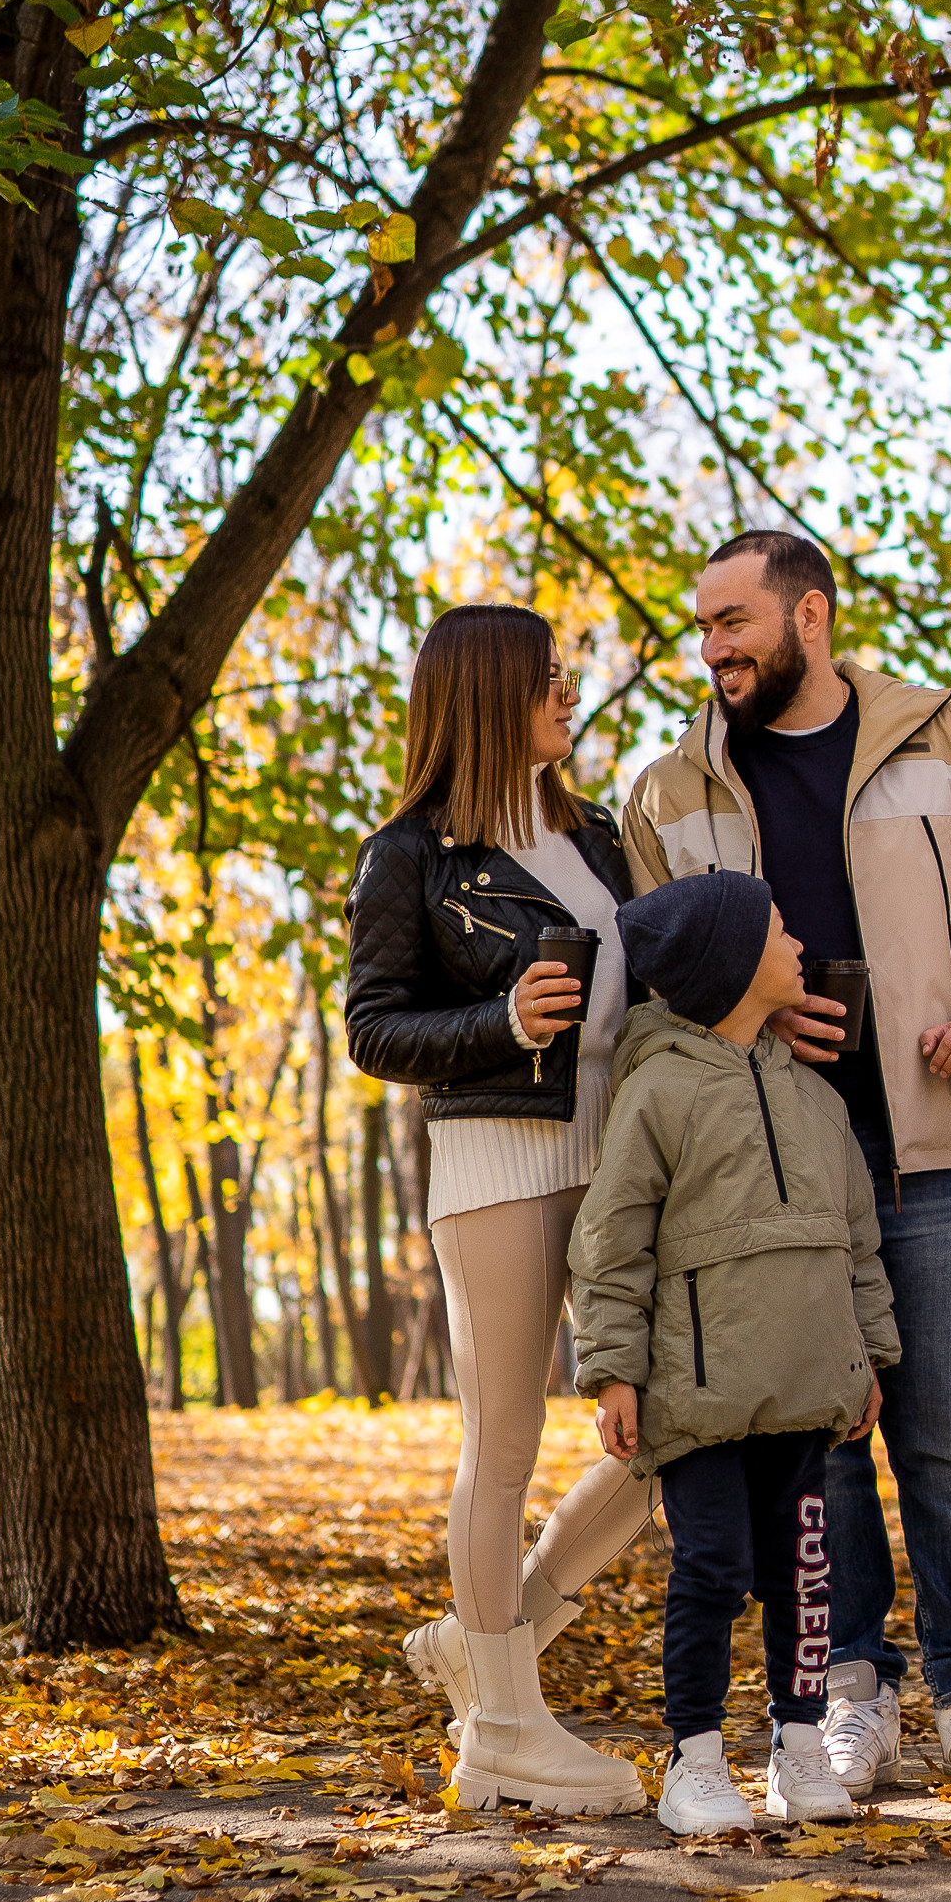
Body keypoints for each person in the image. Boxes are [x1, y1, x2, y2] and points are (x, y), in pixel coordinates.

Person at [622, 530, 951, 1800]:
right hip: (765, 1169)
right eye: (703, 628)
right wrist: (753, 1015)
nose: (711, 648)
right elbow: (657, 982)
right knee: (816, 1439)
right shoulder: (669, 794)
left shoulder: (947, 738)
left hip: (927, 1139)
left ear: (808, 616)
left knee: (942, 1432)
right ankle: (848, 1697)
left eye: (732, 621)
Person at [344, 603, 651, 1816]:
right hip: (496, 1164)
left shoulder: (604, 837)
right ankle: (506, 1732)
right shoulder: (411, 855)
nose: (569, 694)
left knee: (677, 1424)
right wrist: (500, 1024)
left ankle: (488, 1639)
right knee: (507, 1442)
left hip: (623, 1163)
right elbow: (374, 1025)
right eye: (550, 678)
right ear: (489, 694)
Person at [570, 872, 899, 1836]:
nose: (799, 943)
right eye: (779, 929)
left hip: (803, 1392)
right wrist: (615, 1368)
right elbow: (612, 1240)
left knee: (806, 1569)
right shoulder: (659, 1092)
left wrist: (867, 1353)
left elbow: (857, 1240)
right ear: (732, 963)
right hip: (701, 1396)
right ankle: (696, 1758)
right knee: (711, 1569)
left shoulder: (817, 1100)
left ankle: (800, 1747)